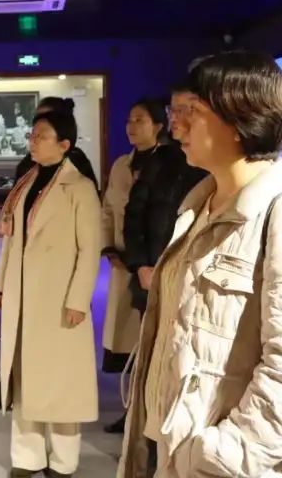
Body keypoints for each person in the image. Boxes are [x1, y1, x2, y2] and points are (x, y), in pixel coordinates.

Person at [119, 52, 282, 478]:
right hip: (173, 449)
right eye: (175, 112)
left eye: (192, 111)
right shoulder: (199, 208)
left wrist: (218, 455)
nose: (176, 125)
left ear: (241, 119)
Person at [0, 109, 102, 477]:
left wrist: (78, 299)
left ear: (64, 144)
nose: (33, 142)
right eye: (32, 135)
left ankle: (63, 460)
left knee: (61, 382)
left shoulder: (80, 187)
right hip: (24, 294)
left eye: (41, 136)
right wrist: (2, 284)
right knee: (25, 377)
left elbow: (90, 249)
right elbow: (11, 240)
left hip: (58, 298)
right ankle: (27, 457)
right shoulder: (26, 182)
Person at [99, 99, 165, 434]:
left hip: (153, 264)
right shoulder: (121, 165)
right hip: (123, 262)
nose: (132, 126)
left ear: (158, 126)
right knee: (129, 341)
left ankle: (151, 413)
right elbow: (108, 210)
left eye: (140, 120)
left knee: (152, 338)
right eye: (129, 120)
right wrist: (108, 247)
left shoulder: (168, 163)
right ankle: (132, 411)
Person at [123, 83, 209, 317]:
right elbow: (134, 214)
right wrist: (140, 264)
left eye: (184, 109)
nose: (175, 117)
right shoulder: (160, 159)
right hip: (153, 273)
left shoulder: (211, 164)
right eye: (172, 110)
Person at [14, 96, 98, 190]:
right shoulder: (26, 165)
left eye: (46, 118)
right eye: (37, 118)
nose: (39, 124)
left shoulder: (77, 162)